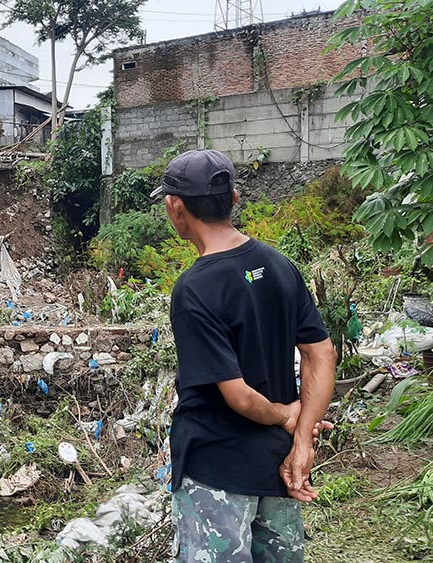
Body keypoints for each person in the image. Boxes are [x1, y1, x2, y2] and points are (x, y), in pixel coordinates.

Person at [153, 149, 337, 562]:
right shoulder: (278, 264)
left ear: (175, 207)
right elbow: (321, 352)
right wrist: (301, 436)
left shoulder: (195, 289)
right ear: (234, 200)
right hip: (276, 463)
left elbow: (237, 396)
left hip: (216, 467)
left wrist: (286, 416)